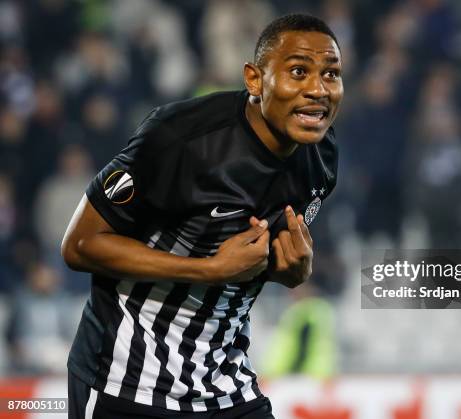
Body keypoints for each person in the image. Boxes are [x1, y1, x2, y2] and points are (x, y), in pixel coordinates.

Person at [61, 13, 343, 419]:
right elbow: (80, 245)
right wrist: (210, 269)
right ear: (254, 79)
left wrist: (290, 271)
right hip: (125, 382)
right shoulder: (181, 138)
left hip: (225, 385)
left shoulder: (321, 156)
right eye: (298, 71)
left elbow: (251, 260)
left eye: (331, 74)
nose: (318, 89)